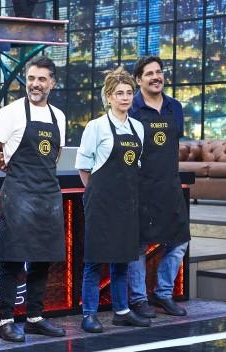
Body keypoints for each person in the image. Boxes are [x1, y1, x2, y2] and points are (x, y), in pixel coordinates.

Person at [0, 56, 66, 342]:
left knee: (43, 257)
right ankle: (5, 320)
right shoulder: (12, 112)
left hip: (48, 194)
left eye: (42, 79)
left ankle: (34, 317)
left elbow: (55, 155)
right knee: (13, 258)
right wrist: (8, 168)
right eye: (31, 78)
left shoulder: (59, 117)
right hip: (19, 193)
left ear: (52, 83)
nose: (35, 84)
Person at [75, 67, 150, 333]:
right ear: (108, 97)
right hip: (101, 203)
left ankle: (121, 311)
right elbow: (84, 168)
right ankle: (89, 314)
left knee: (122, 259)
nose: (125, 98)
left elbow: (135, 166)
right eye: (119, 93)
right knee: (95, 260)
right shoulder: (96, 127)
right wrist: (97, 195)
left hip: (127, 204)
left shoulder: (138, 128)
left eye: (129, 93)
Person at [127, 56, 190, 318]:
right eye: (149, 73)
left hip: (169, 187)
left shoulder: (175, 107)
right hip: (140, 188)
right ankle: (139, 299)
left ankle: (163, 294)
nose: (156, 77)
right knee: (138, 246)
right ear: (139, 79)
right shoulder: (131, 108)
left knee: (179, 242)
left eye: (159, 72)